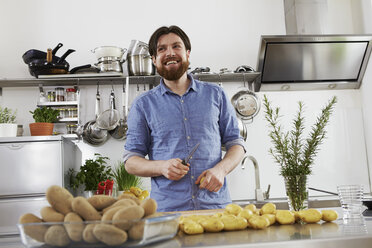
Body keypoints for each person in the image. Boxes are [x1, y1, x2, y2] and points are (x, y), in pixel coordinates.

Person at [123, 25, 245, 212]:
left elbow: (236, 144)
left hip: (215, 209)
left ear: (188, 53)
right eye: (162, 49)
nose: (170, 53)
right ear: (154, 60)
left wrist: (221, 170)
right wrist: (162, 167)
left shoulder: (216, 95)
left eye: (176, 46)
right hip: (167, 212)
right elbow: (131, 161)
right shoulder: (143, 105)